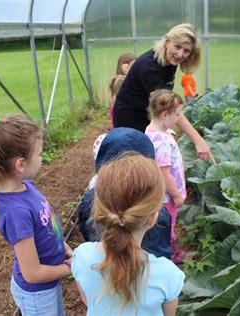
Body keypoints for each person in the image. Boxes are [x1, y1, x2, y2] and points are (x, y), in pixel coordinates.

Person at [0, 114, 73, 315]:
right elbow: (32, 273)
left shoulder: (27, 186)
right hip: (38, 294)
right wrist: (71, 269)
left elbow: (46, 226)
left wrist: (63, 249)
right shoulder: (16, 213)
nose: (42, 158)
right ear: (21, 164)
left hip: (50, 280)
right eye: (39, 154)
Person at [72, 154, 185, 315]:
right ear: (152, 217)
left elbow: (88, 301)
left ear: (99, 209)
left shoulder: (82, 257)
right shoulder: (168, 275)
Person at [112, 23, 215, 164]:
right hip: (130, 118)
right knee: (137, 163)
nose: (180, 54)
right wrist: (198, 140)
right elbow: (169, 106)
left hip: (145, 113)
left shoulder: (169, 61)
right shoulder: (149, 67)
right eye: (177, 46)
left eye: (186, 51)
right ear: (167, 42)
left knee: (151, 160)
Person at [80, 127, 172, 259]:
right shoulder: (156, 212)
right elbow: (159, 253)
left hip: (101, 264)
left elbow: (87, 233)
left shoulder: (91, 200)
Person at [145, 90, 187, 263]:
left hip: (159, 194)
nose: (179, 118)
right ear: (164, 114)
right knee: (167, 224)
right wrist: (176, 194)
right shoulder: (161, 141)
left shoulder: (151, 130)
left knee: (162, 223)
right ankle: (170, 254)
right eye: (176, 114)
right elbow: (164, 173)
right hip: (167, 196)